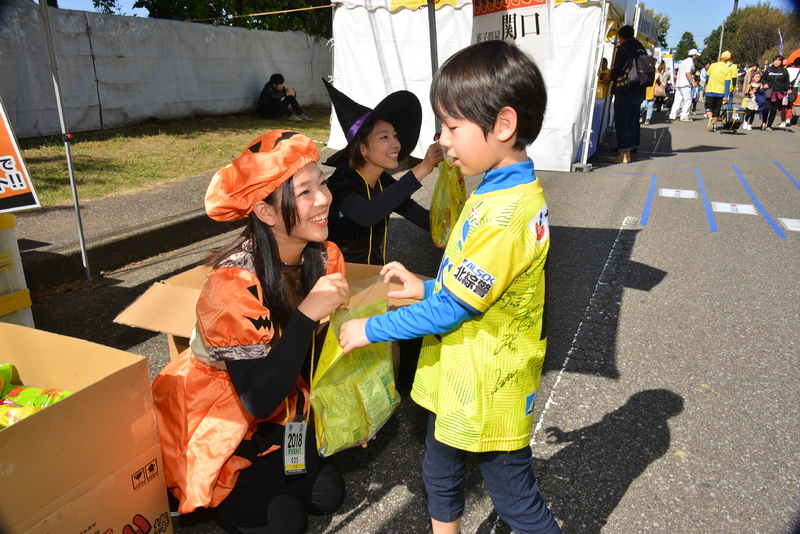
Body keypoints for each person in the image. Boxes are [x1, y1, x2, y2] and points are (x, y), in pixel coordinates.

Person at [338, 40, 562, 534]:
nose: (442, 140)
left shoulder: (505, 212)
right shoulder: (497, 188)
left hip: (489, 387)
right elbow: (468, 281)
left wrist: (371, 328)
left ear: (503, 126)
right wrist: (424, 284)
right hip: (461, 375)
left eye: (452, 127)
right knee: (439, 471)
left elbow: (452, 309)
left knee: (515, 502)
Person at [152, 130, 352, 534]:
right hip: (222, 408)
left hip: (285, 403)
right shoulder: (232, 284)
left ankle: (268, 464)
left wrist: (351, 410)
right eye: (305, 191)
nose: (325, 198)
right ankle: (208, 487)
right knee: (286, 523)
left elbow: (317, 355)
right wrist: (307, 313)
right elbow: (255, 399)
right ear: (266, 212)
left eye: (323, 183)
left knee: (329, 494)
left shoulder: (326, 256)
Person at [322, 79, 443, 265]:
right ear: (363, 149)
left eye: (395, 136)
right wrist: (423, 167)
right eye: (384, 137)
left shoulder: (382, 182)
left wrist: (461, 225)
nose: (395, 143)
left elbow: (423, 218)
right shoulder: (340, 183)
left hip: (374, 277)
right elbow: (367, 214)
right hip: (338, 280)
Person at [602, 24, 646, 164]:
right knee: (633, 121)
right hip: (639, 89)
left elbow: (617, 70)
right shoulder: (640, 47)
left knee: (622, 121)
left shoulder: (624, 48)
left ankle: (624, 153)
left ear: (620, 37)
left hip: (625, 88)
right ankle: (630, 147)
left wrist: (608, 76)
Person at [703, 51, 734, 132]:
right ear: (729, 59)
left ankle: (710, 118)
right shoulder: (728, 69)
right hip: (720, 92)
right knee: (717, 109)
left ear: (720, 57)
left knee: (709, 107)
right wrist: (726, 95)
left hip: (710, 90)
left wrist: (707, 85)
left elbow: (707, 77)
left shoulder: (713, 65)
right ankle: (714, 125)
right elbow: (727, 83)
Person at [761, 55, 793, 131]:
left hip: (779, 93)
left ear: (781, 62)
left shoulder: (784, 71)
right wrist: (765, 84)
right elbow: (762, 78)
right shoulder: (769, 69)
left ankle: (769, 126)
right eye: (775, 60)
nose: (776, 62)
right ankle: (764, 122)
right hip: (769, 92)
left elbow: (787, 81)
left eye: (778, 60)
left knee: (773, 110)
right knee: (766, 108)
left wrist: (789, 88)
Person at [669, 48, 700, 122]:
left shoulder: (683, 62)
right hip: (685, 84)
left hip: (679, 83)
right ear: (694, 55)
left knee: (677, 100)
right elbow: (687, 73)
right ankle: (684, 115)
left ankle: (672, 115)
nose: (697, 57)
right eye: (696, 55)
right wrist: (692, 81)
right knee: (688, 100)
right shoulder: (690, 62)